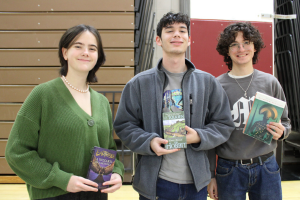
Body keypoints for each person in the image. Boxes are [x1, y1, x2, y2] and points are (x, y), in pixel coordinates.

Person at [113, 12, 235, 200]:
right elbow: (124, 125)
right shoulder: (138, 84)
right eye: (169, 31)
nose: (176, 34)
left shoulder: (207, 82)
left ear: (189, 40)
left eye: (182, 31)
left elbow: (224, 124)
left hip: (196, 184)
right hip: (155, 184)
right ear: (158, 40)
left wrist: (199, 136)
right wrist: (149, 142)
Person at [5, 24, 124, 200]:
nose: (85, 52)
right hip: (54, 194)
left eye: (92, 48)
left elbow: (108, 149)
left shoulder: (102, 102)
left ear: (98, 56)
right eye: (78, 46)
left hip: (96, 196)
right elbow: (16, 152)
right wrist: (61, 179)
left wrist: (117, 173)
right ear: (65, 52)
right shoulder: (43, 95)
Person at [207, 22, 291, 200]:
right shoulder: (216, 86)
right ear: (227, 51)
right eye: (234, 44)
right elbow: (210, 134)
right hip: (228, 169)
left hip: (266, 166)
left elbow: (285, 122)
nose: (241, 48)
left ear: (255, 47)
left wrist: (283, 131)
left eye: (246, 42)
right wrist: (210, 175)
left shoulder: (270, 82)